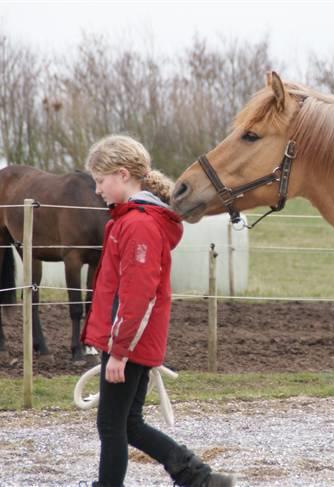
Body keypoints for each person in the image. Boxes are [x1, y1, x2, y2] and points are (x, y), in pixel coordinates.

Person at [81, 135, 235, 487]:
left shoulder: (138, 225)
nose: (96, 189)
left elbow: (137, 295)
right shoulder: (132, 220)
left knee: (111, 425)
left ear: (122, 175)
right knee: (129, 423)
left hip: (128, 341)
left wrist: (119, 351)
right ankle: (200, 479)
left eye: (100, 180)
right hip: (131, 338)